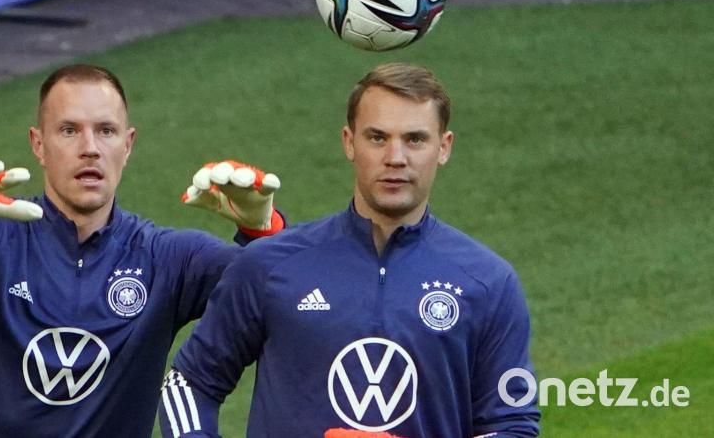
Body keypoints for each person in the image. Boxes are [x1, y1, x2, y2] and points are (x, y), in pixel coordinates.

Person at [0, 64, 284, 437]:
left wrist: (260, 228)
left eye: (105, 131)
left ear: (128, 145)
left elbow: (280, 295)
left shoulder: (168, 259)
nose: (90, 148)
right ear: (38, 144)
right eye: (69, 130)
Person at [159, 62, 540, 437]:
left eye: (415, 139)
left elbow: (511, 424)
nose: (396, 158)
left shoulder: (489, 283)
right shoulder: (270, 265)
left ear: (444, 147)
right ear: (349, 142)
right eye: (377, 137)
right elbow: (189, 384)